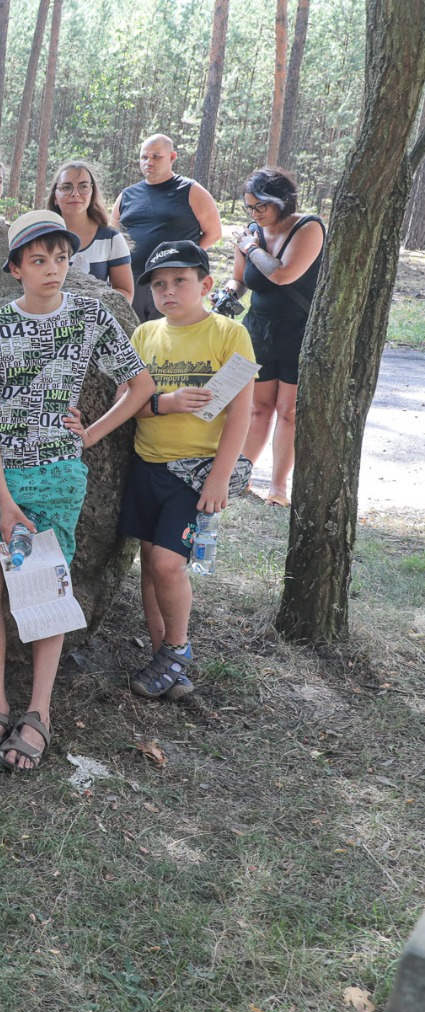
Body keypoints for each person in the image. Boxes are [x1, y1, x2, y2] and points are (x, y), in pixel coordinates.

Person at [0, 210, 155, 773]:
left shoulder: (90, 317)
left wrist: (91, 433)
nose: (52, 269)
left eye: (62, 259)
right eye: (39, 260)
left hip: (57, 471)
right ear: (16, 268)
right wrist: (3, 499)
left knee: (44, 584)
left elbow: (139, 384)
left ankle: (38, 712)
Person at [119, 240, 255, 699]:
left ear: (206, 284)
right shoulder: (145, 335)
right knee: (150, 567)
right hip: (146, 466)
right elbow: (128, 404)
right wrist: (166, 402)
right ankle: (166, 663)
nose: (169, 291)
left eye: (180, 280)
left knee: (167, 564)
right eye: (159, 284)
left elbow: (240, 412)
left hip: (194, 474)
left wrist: (219, 476)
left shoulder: (228, 334)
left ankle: (177, 649)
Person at [221, 167, 324, 507]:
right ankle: (242, 477)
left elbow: (282, 274)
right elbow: (240, 278)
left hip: (298, 329)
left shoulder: (308, 227)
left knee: (289, 409)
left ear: (281, 201)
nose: (254, 214)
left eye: (259, 207)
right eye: (249, 207)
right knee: (257, 407)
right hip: (259, 328)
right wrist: (228, 291)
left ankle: (278, 488)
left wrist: (250, 247)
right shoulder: (254, 232)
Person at [111, 134, 223, 322]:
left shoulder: (191, 190)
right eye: (144, 157)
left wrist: (183, 258)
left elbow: (214, 233)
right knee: (132, 341)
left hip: (172, 286)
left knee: (170, 343)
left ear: (172, 157)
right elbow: (111, 235)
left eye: (156, 156)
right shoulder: (127, 195)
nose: (149, 162)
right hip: (131, 282)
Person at [47, 160, 133, 302]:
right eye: (66, 187)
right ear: (55, 197)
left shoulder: (110, 238)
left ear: (92, 194)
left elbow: (125, 293)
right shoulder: (41, 237)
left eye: (83, 187)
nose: (75, 194)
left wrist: (90, 311)